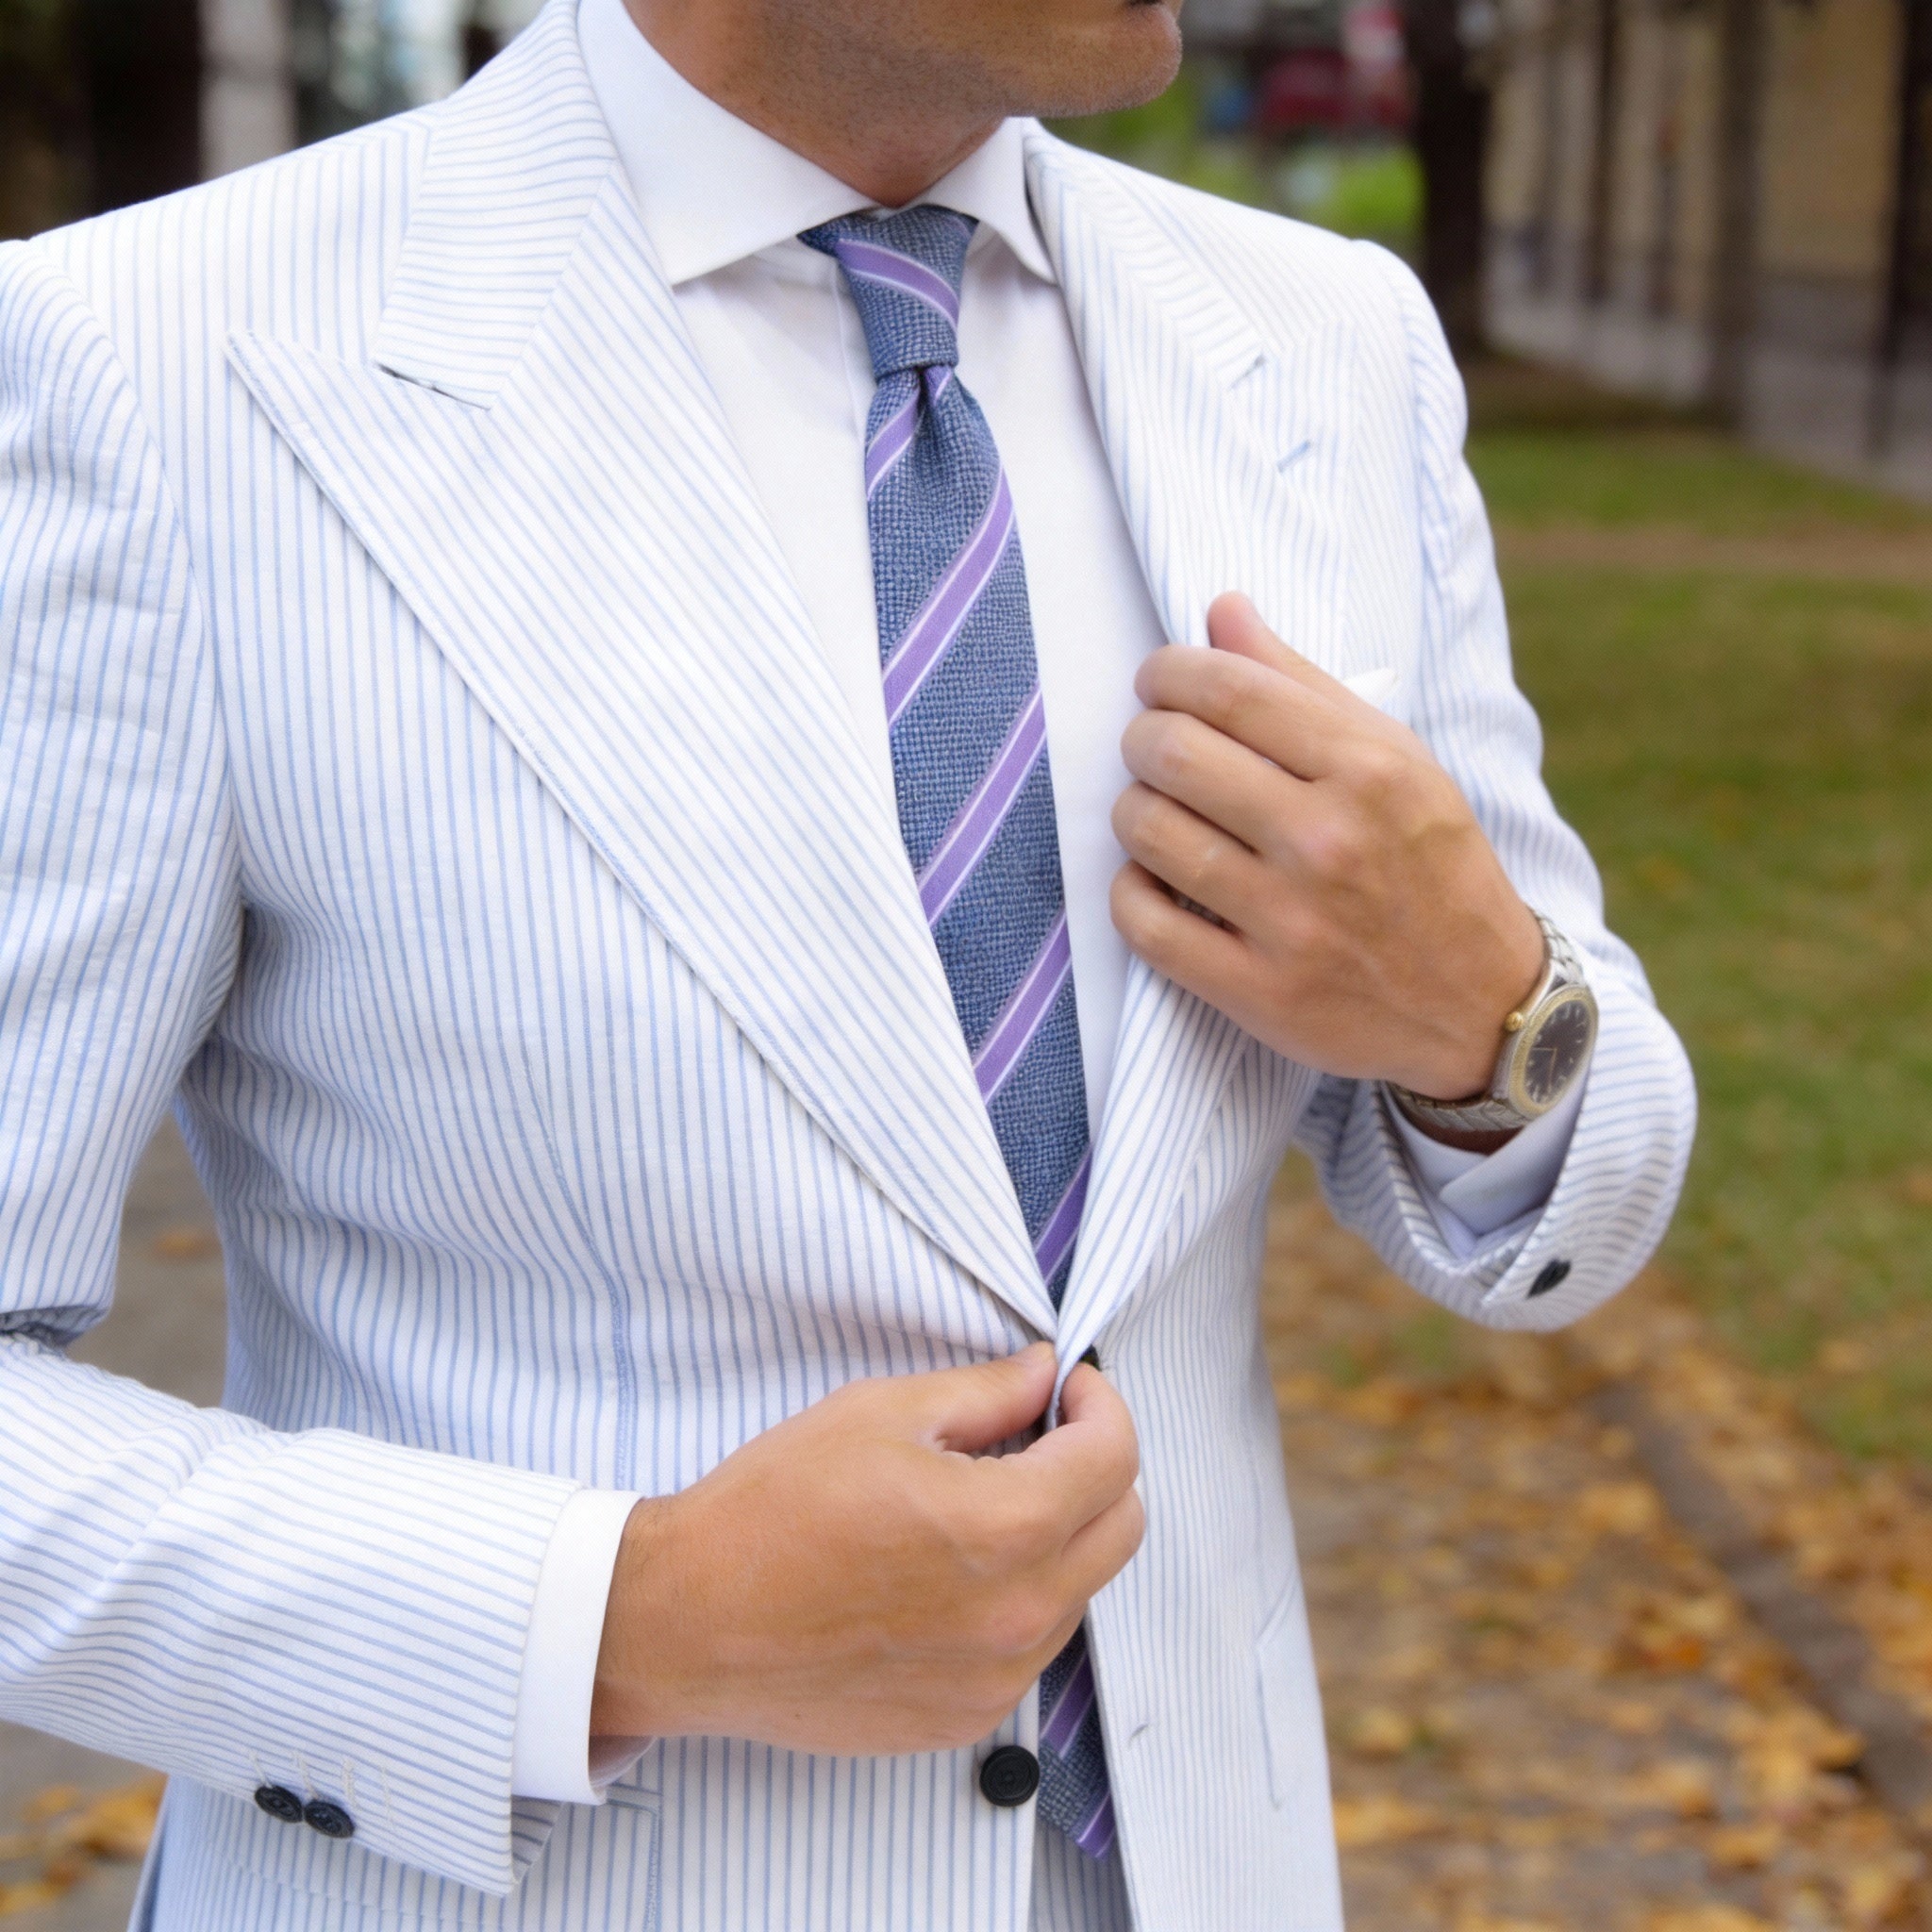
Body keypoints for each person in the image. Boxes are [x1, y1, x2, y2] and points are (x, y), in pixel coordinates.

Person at [0, 0, 1695, 1925]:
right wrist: (614, 1619)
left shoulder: (1326, 347)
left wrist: (1492, 1017)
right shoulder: (143, 366)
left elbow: (1586, 1186)